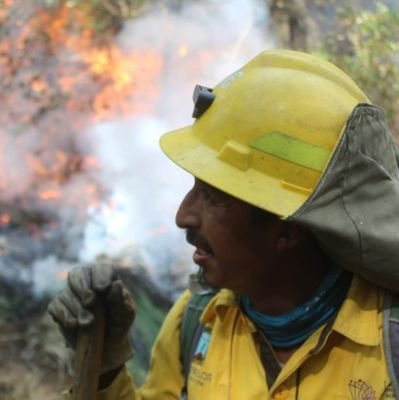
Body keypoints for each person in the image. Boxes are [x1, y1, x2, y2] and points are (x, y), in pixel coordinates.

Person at [48, 49, 399, 399]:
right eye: (195, 188)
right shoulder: (198, 317)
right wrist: (104, 371)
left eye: (213, 196)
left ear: (288, 229)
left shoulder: (388, 343)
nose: (183, 215)